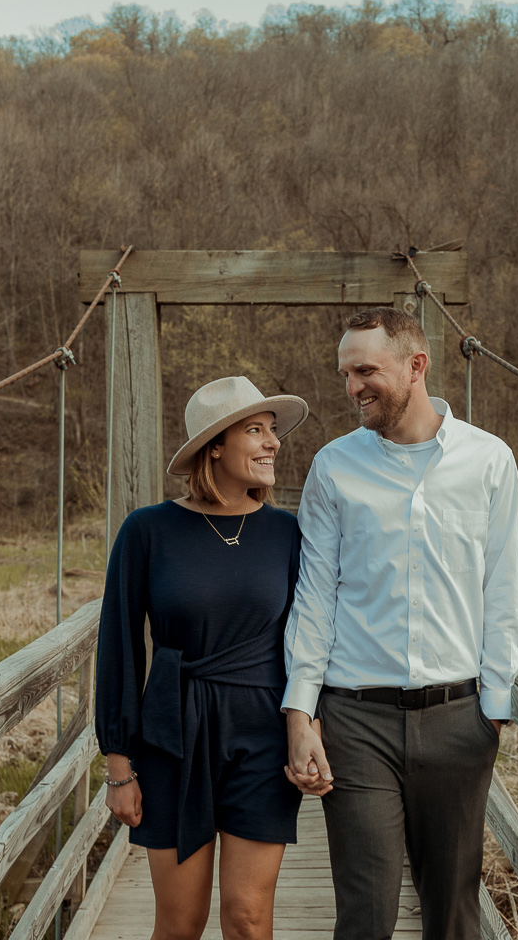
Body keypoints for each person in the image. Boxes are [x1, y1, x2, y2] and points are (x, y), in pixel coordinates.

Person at [282, 306, 518, 940]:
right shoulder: (334, 467)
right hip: (356, 721)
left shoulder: (491, 462)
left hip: (458, 719)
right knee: (365, 916)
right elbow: (315, 597)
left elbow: (503, 590)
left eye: (366, 370)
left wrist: (494, 707)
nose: (351, 387)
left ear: (416, 366)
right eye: (344, 373)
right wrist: (300, 715)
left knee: (452, 914)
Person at [96, 375, 309, 940]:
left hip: (262, 736)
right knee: (180, 923)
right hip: (172, 735)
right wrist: (119, 766)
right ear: (215, 444)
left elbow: (311, 638)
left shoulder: (289, 532)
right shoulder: (148, 530)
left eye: (273, 432)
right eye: (256, 431)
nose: (273, 443)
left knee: (246, 917)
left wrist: (309, 725)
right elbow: (118, 643)